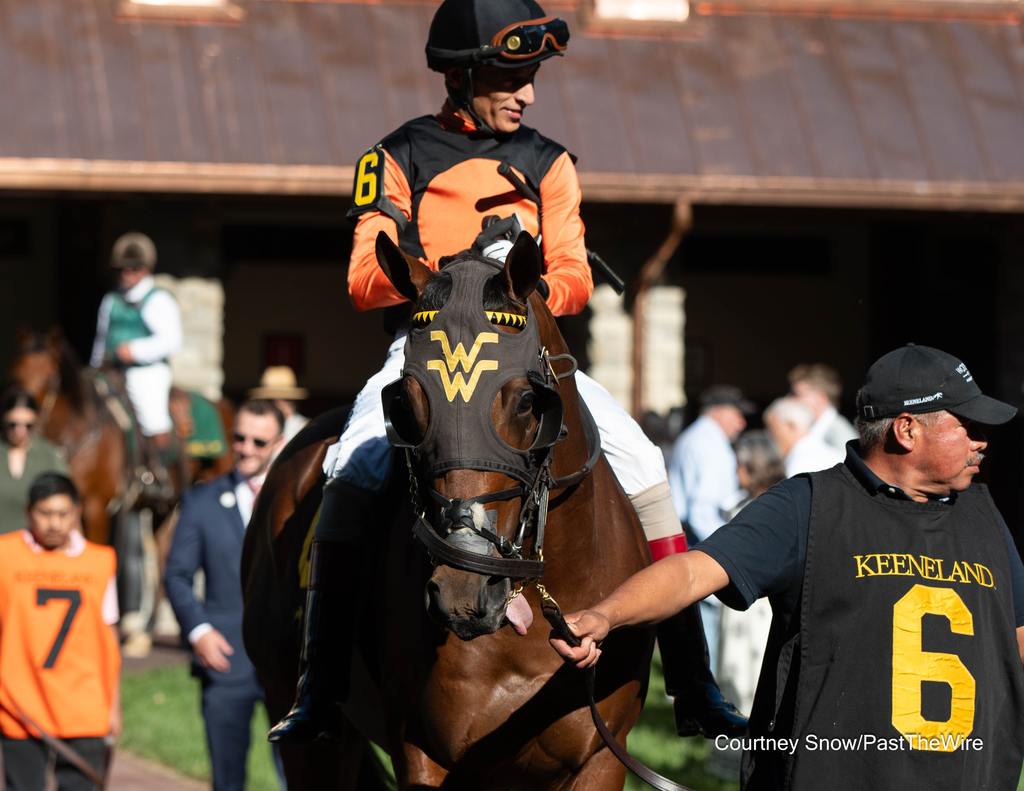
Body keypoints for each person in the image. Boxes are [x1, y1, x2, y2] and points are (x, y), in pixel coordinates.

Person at [269, 0, 743, 744]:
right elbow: (365, 276)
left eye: (531, 77)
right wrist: (455, 281)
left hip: (525, 352)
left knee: (648, 468)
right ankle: (320, 687)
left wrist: (509, 294)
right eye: (509, 75)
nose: (525, 92)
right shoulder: (396, 156)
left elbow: (574, 276)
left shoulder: (550, 162)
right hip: (426, 347)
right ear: (461, 75)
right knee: (348, 474)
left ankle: (693, 683)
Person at [553, 344, 1024, 790]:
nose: (982, 440)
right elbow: (694, 572)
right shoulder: (809, 506)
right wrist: (605, 615)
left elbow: (1017, 636)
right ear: (906, 430)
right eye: (966, 425)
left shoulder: (983, 515)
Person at [164, 400, 285, 791]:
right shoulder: (202, 501)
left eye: (259, 441)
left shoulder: (298, 499)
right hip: (224, 658)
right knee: (227, 779)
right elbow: (177, 575)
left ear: (277, 444)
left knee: (298, 777)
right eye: (239, 438)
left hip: (286, 664)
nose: (247, 448)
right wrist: (199, 631)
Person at [0, 473, 121, 790]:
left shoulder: (100, 561)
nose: (54, 523)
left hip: (83, 703)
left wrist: (114, 706)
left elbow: (108, 638)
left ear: (77, 511)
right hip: (19, 704)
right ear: (29, 512)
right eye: (45, 513)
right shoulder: (5, 555)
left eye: (63, 514)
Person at [667, 385, 753, 672]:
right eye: (737, 415)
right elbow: (703, 510)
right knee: (709, 637)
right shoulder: (710, 444)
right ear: (719, 411)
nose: (741, 423)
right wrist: (732, 552)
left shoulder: (696, 437)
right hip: (705, 542)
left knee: (700, 634)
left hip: (692, 540)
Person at [89, 231, 183, 487]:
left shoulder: (158, 299)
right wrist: (95, 366)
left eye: (133, 269)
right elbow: (101, 337)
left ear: (145, 269)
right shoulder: (111, 300)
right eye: (122, 269)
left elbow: (172, 340)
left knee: (151, 414)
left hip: (146, 371)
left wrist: (136, 350)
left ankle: (158, 471)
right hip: (112, 370)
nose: (127, 274)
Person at [0, 387, 67, 534]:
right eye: (13, 424)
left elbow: (67, 504)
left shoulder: (50, 455)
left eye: (28, 426)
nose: (20, 431)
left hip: (36, 548)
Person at [763, 395, 844, 477]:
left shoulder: (799, 464)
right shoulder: (833, 454)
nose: (768, 435)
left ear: (791, 426)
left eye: (772, 428)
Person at [788, 362, 857, 452]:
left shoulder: (840, 434)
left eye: (798, 395)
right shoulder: (814, 429)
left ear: (821, 398)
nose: (791, 400)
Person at [248, 366, 309, 444]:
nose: (278, 404)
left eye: (285, 398)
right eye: (269, 400)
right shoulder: (255, 425)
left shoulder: (304, 428)